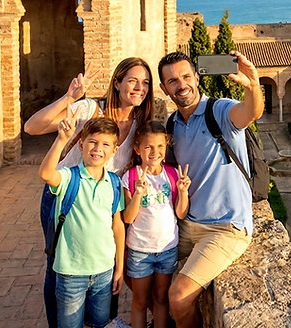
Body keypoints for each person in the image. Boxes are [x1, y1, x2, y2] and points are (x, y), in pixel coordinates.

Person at [25, 57, 153, 328]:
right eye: (132, 80)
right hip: (65, 198)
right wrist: (68, 98)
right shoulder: (89, 109)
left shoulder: (141, 122)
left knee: (105, 270)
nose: (139, 88)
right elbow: (32, 127)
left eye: (145, 83)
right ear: (117, 82)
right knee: (56, 266)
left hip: (103, 201)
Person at [157, 51, 263, 328]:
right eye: (172, 81)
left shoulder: (219, 111)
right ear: (163, 88)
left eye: (186, 76)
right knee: (136, 264)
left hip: (225, 228)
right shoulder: (172, 125)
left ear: (196, 76)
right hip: (188, 225)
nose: (181, 85)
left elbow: (250, 112)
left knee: (178, 298)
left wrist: (252, 85)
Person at [38, 116, 126, 328]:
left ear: (114, 151)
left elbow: (118, 227)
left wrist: (119, 267)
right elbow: (46, 174)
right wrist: (60, 140)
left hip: (104, 272)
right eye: (93, 142)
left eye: (106, 144)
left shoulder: (114, 183)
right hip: (71, 273)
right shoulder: (69, 177)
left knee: (99, 324)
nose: (98, 149)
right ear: (81, 144)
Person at [121, 121, 191, 328]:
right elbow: (128, 218)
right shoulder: (130, 177)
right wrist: (138, 194)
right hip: (140, 250)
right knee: (140, 301)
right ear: (137, 149)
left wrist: (184, 191)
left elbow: (181, 212)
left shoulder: (172, 174)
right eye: (148, 146)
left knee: (161, 300)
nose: (155, 152)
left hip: (167, 249)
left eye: (160, 146)